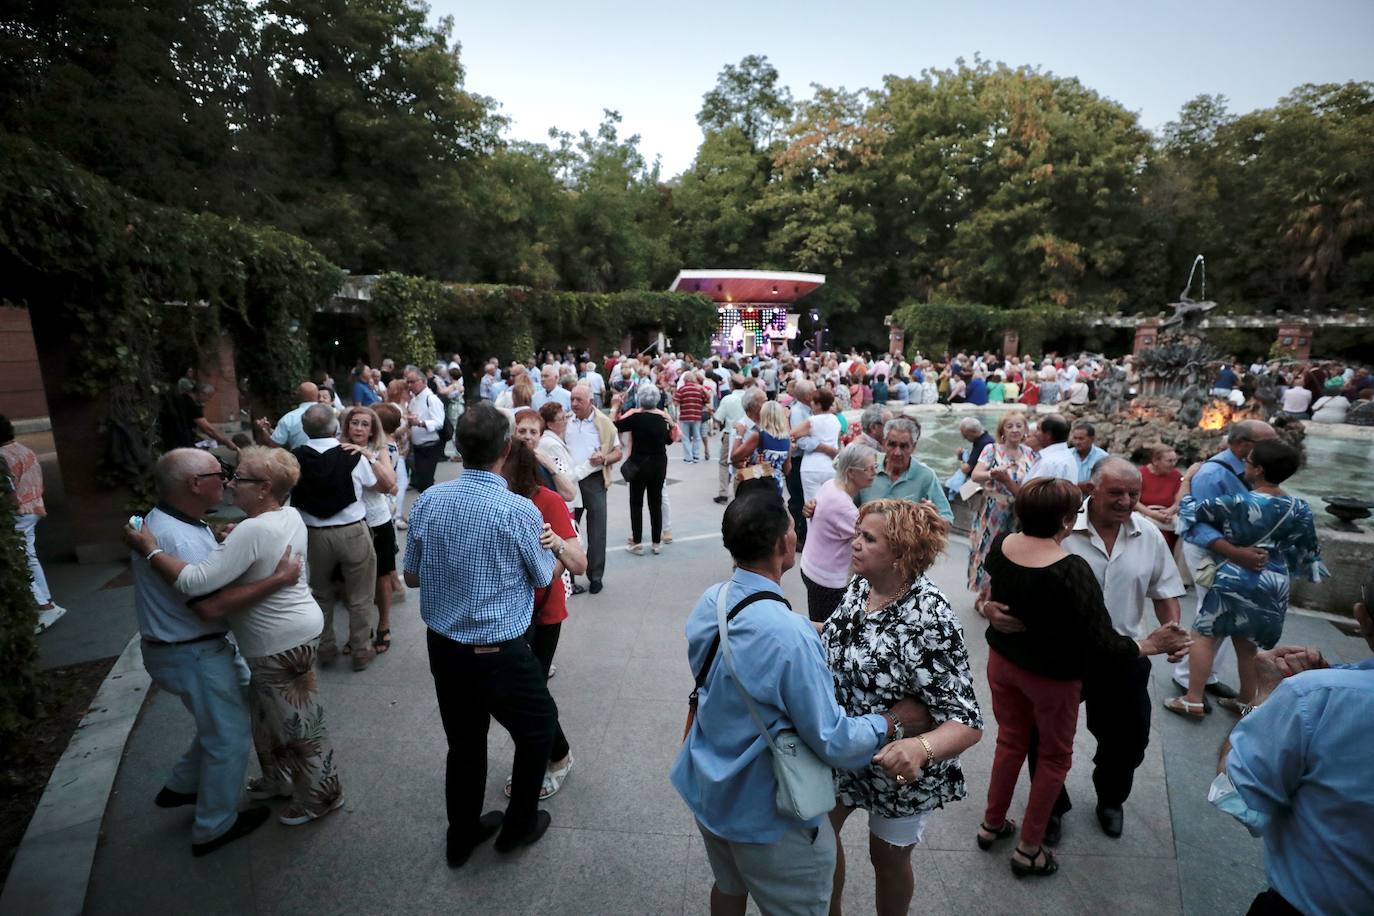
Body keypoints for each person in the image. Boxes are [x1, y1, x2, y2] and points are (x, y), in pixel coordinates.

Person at [671, 489, 928, 916]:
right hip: (766, 812)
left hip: (709, 787)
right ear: (783, 545)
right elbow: (833, 739)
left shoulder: (712, 600)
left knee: (728, 886)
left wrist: (818, 628)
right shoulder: (790, 637)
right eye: (793, 527)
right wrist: (893, 721)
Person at [976, 478, 1190, 877]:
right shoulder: (1069, 568)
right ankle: (1029, 847)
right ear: (1066, 519)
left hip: (1006, 664)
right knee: (1054, 756)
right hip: (1054, 675)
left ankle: (992, 824)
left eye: (1133, 494)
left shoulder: (1003, 542)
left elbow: (998, 587)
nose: (1126, 501)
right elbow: (1100, 641)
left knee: (1011, 743)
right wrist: (1150, 645)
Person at [127, 446, 346, 828]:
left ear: (263, 488)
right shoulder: (287, 514)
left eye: (239, 478)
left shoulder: (252, 529)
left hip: (280, 642)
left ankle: (322, 796)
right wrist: (230, 543)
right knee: (265, 717)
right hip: (285, 635)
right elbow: (246, 558)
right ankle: (279, 779)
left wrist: (149, 549)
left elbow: (194, 581)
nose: (230, 484)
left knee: (298, 723)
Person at [404, 402, 562, 865]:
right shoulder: (518, 511)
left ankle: (463, 834)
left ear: (456, 447)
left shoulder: (430, 500)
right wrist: (552, 549)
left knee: (465, 741)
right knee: (537, 730)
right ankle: (518, 826)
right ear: (507, 447)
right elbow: (541, 578)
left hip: (444, 648)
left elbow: (411, 577)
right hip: (500, 651)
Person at [823, 499, 983, 916]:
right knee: (819, 841)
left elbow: (966, 720)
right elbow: (846, 642)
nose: (854, 543)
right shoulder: (862, 586)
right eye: (857, 533)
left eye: (868, 538)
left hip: (897, 768)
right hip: (844, 748)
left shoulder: (929, 617)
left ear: (901, 553)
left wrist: (919, 749)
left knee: (888, 859)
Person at [1208, 603, 1374, 915]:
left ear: (1362, 617)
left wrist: (1267, 699)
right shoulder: (1324, 690)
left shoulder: (1315, 696)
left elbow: (1236, 794)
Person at [1166, 439, 1327, 718]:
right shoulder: (1299, 507)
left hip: (1235, 577)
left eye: (1249, 462)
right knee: (1248, 645)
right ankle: (1246, 701)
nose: (1244, 466)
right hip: (1274, 581)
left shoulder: (1238, 502)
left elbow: (1189, 509)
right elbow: (1308, 551)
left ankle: (1192, 699)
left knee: (1204, 635)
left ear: (1259, 470)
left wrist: (1187, 479)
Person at [500, 440, 585, 800]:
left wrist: (556, 547)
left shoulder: (546, 500)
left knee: (530, 692)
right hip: (504, 614)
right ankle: (547, 756)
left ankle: (558, 757)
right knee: (519, 693)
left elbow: (579, 563)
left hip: (542, 613)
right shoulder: (491, 499)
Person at [1172, 420, 1278, 701]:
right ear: (1243, 445)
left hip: (1234, 553)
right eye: (1267, 442)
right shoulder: (1212, 474)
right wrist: (1236, 553)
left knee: (1222, 618)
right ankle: (1188, 679)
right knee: (1209, 615)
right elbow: (1198, 524)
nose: (1273, 447)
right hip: (1212, 551)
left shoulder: (1253, 470)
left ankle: (1205, 678)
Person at [292, 404, 380, 670]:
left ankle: (326, 647)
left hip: (315, 534)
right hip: (352, 531)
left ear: (305, 430)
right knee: (361, 594)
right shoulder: (352, 455)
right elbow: (373, 484)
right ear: (335, 427)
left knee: (320, 593)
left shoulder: (294, 457)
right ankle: (361, 649)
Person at [338, 406, 399, 655]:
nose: (359, 428)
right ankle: (361, 630)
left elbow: (391, 487)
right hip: (348, 523)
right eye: (355, 423)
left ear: (373, 429)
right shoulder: (338, 448)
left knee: (382, 577)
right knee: (350, 580)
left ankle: (384, 623)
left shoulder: (379, 450)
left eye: (365, 424)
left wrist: (367, 456)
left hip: (376, 520)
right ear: (347, 426)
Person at [799, 443, 877, 623]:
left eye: (875, 467)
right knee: (827, 629)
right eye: (869, 468)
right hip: (827, 581)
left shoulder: (829, 485)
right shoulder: (844, 508)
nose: (874, 472)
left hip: (811, 566)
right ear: (851, 472)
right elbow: (872, 539)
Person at [1, 416, 65, 633]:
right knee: (28, 554)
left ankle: (43, 604)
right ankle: (46, 601)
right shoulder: (25, 450)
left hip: (19, 511)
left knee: (20, 556)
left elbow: (8, 489)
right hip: (34, 506)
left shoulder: (2, 456)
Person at [967, 412, 1036, 594]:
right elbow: (975, 475)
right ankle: (984, 594)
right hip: (993, 509)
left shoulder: (1031, 454)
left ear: (1025, 430)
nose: (1015, 430)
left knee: (1013, 553)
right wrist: (992, 474)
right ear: (1002, 430)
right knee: (988, 550)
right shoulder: (992, 449)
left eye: (1019, 426)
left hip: (1018, 511)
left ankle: (1003, 594)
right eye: (1010, 426)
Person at [566, 385, 621, 594]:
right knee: (569, 529)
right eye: (572, 399)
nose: (574, 404)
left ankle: (595, 576)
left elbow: (618, 452)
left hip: (594, 480)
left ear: (591, 401)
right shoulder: (566, 421)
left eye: (579, 400)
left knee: (597, 531)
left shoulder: (604, 423)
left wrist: (605, 458)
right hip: (570, 481)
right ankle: (569, 578)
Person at [613, 383, 675, 555]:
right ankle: (656, 542)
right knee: (655, 504)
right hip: (658, 465)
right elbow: (669, 441)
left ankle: (638, 542)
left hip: (638, 465)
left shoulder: (636, 417)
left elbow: (614, 426)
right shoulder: (663, 417)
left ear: (640, 399)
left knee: (636, 503)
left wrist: (615, 407)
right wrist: (671, 425)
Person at [858, 418, 953, 522]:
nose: (897, 452)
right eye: (892, 445)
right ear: (884, 443)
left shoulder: (925, 475)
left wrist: (933, 518)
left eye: (904, 446)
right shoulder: (868, 466)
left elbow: (947, 518)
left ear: (914, 446)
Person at [731, 397, 790, 499]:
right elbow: (787, 469)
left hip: (757, 484)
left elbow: (734, 456)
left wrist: (739, 434)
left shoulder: (759, 436)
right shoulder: (787, 440)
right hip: (776, 487)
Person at [404, 365, 447, 491]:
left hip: (429, 446)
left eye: (413, 382)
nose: (410, 385)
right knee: (421, 483)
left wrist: (420, 423)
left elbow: (439, 422)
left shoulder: (432, 399)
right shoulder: (414, 400)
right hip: (417, 447)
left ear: (423, 381)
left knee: (425, 483)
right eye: (408, 382)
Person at [797, 388, 842, 503]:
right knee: (830, 504)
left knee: (811, 504)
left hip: (811, 465)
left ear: (818, 405)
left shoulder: (812, 420)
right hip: (830, 465)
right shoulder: (836, 420)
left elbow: (793, 434)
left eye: (813, 401)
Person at [1137, 444, 1182, 550]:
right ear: (1155, 461)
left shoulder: (1176, 476)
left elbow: (1180, 501)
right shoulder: (1140, 475)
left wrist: (1170, 511)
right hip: (1146, 515)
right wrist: (1153, 514)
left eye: (1174, 460)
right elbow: (1134, 501)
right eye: (1169, 461)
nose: (1173, 464)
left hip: (1168, 517)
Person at [253, 381, 319, 450]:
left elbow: (274, 446)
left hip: (299, 459)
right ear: (319, 396)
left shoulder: (289, 418)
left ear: (297, 396)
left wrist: (264, 430)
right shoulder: (330, 413)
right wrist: (270, 430)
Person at [1024, 414, 1077, 483]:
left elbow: (1032, 491)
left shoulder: (1050, 462)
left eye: (1038, 429)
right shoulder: (1066, 455)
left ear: (1048, 435)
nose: (1035, 434)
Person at [674, 370, 709, 463]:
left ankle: (688, 457)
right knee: (697, 436)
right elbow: (707, 400)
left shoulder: (681, 389)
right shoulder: (699, 389)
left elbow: (676, 402)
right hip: (697, 415)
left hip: (685, 416)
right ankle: (696, 456)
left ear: (685, 380)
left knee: (685, 437)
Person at [1069, 421, 1107, 488]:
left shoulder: (1102, 457)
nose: (1077, 442)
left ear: (1092, 439)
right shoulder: (1067, 455)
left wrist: (1073, 487)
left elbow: (1100, 483)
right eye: (1075, 438)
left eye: (1081, 439)